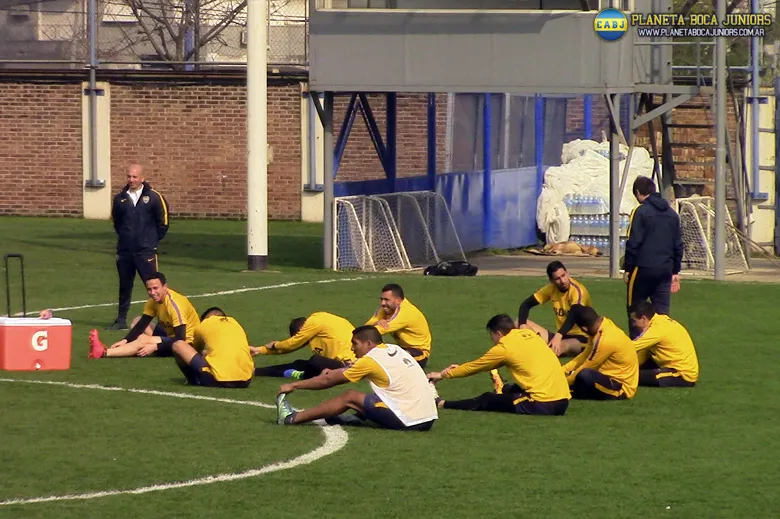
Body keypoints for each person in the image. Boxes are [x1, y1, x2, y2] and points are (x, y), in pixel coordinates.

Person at [275, 325, 438, 431]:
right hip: (428, 417)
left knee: (350, 397)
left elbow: (328, 381)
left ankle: (292, 418)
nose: (352, 349)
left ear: (368, 344)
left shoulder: (370, 360)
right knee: (380, 394)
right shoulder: (393, 349)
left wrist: (294, 385)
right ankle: (357, 418)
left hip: (410, 420)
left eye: (355, 344)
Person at [426, 314, 570, 416]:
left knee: (487, 399)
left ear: (498, 334)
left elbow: (474, 367)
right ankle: (502, 387)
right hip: (563, 401)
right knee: (513, 389)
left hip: (543, 404)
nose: (492, 339)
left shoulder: (504, 348)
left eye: (491, 335)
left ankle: (441, 403)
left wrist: (442, 374)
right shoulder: (529, 334)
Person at [106, 162, 170, 331]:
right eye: (129, 176)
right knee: (125, 285)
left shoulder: (154, 197)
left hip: (145, 251)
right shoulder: (120, 198)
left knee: (154, 286)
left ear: (143, 178)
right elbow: (117, 222)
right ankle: (121, 320)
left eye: (135, 177)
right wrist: (126, 238)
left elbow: (163, 222)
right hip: (125, 251)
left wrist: (151, 241)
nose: (131, 180)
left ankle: (166, 320)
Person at [623, 175, 684, 339]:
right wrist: (675, 271)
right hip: (665, 270)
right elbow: (678, 245)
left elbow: (633, 242)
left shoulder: (640, 212)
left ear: (637, 192)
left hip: (642, 269)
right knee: (662, 314)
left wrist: (628, 268)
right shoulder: (672, 214)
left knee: (635, 310)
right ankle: (663, 350)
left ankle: (637, 350)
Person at [89, 272, 200, 359]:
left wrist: (156, 346)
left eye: (156, 288)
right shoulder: (153, 301)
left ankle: (104, 352)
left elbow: (181, 338)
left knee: (143, 339)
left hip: (186, 345)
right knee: (137, 321)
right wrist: (125, 340)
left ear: (165, 287)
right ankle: (128, 348)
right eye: (149, 289)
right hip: (171, 336)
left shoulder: (175, 305)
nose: (152, 293)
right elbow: (142, 324)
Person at [556, 304, 639, 400]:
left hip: (620, 387)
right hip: (606, 377)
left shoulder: (605, 340)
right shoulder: (602, 324)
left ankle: (572, 391)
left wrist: (563, 383)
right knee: (581, 377)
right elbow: (584, 355)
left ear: (584, 329)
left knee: (585, 375)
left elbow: (588, 364)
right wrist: (561, 371)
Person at [516, 261, 593, 357]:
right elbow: (526, 304)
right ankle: (535, 348)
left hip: (582, 337)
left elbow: (574, 316)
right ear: (551, 281)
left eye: (563, 275)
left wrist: (558, 335)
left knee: (559, 347)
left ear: (567, 272)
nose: (563, 281)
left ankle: (536, 351)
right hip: (561, 335)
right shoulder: (551, 289)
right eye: (557, 278)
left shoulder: (578, 291)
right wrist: (522, 325)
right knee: (517, 323)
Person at [252, 311, 357, 380]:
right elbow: (295, 346)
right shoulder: (323, 324)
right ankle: (255, 371)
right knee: (300, 363)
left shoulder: (314, 322)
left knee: (315, 361)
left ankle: (303, 375)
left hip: (348, 365)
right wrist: (260, 350)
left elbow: (292, 344)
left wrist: (275, 344)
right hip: (341, 363)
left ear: (301, 329)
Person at [171, 307, 254, 388]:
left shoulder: (204, 324)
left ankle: (193, 380)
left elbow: (195, 351)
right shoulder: (236, 323)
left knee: (178, 344)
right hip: (246, 380)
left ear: (207, 318)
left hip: (218, 380)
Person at [628, 300, 699, 388]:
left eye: (634, 321)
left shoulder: (656, 330)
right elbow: (643, 352)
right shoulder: (660, 320)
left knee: (629, 377)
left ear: (644, 318)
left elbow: (628, 347)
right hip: (674, 366)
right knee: (629, 371)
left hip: (681, 375)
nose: (634, 324)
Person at [365, 283, 433, 368]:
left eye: (386, 300)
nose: (382, 303)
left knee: (381, 360)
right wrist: (375, 323)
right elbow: (367, 326)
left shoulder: (406, 312)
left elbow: (378, 331)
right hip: (402, 349)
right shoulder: (386, 308)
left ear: (398, 301)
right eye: (381, 299)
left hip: (418, 352)